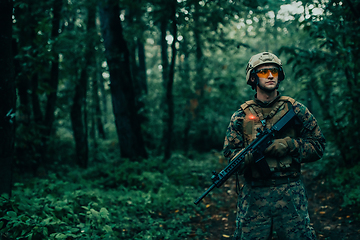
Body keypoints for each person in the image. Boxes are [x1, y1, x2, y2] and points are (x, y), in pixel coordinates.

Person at [223, 52, 326, 240]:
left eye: (274, 71)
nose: (270, 76)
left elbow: (318, 146)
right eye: (264, 72)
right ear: (253, 78)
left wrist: (289, 145)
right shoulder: (240, 116)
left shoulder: (296, 110)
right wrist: (249, 156)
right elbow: (230, 154)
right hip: (253, 197)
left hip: (290, 195)